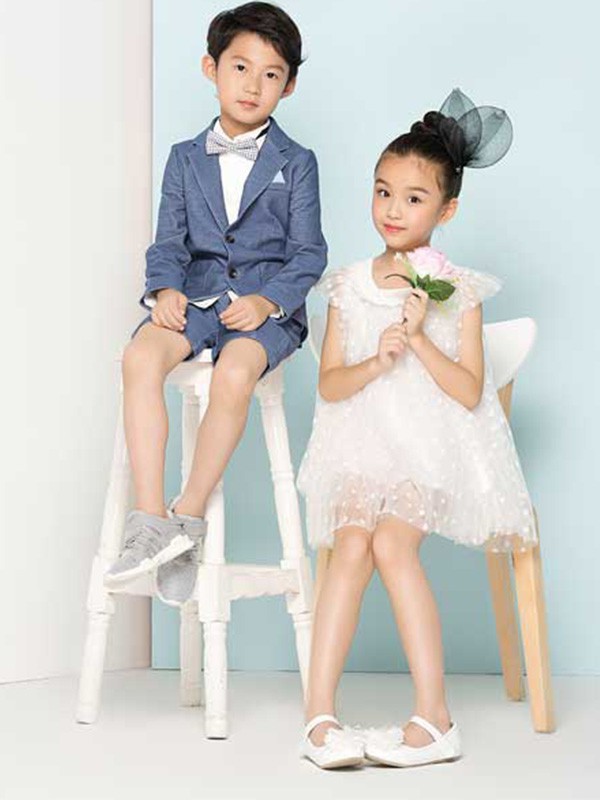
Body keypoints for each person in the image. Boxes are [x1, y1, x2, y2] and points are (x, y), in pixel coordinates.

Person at [297, 88, 537, 769]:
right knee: (351, 543)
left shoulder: (458, 290)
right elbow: (330, 384)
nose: (393, 210)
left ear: (446, 209)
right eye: (383, 192)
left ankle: (435, 718)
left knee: (391, 544)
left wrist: (421, 335)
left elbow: (467, 391)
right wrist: (377, 360)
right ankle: (318, 718)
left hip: (430, 448)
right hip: (360, 443)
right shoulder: (349, 285)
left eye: (413, 198)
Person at [104, 2, 327, 607]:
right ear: (212, 68)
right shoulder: (183, 157)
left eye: (271, 74)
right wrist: (165, 289)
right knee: (140, 357)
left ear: (289, 85)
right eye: (240, 67)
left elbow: (309, 253)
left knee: (234, 371)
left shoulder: (297, 163)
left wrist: (267, 301)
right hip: (196, 296)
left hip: (265, 311)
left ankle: (190, 518)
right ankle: (150, 522)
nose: (253, 85)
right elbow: (168, 241)